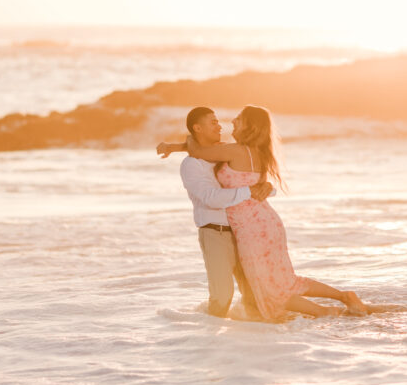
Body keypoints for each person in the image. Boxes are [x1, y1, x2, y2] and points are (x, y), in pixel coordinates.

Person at [158, 105, 369, 320]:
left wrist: (175, 145)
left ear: (249, 125)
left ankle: (326, 311)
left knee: (271, 288)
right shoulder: (250, 152)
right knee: (285, 281)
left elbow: (199, 151)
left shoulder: (234, 151)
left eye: (237, 119)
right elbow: (218, 169)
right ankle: (342, 297)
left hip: (251, 228)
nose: (229, 122)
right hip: (263, 221)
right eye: (214, 122)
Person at [162, 107, 274, 318]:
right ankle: (207, 339)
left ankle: (256, 341)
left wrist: (267, 187)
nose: (219, 126)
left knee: (254, 295)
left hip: (243, 231)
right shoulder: (191, 164)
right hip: (215, 232)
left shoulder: (225, 153)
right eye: (213, 122)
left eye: (218, 121)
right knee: (222, 297)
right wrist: (249, 190)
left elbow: (248, 178)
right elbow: (211, 198)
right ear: (198, 128)